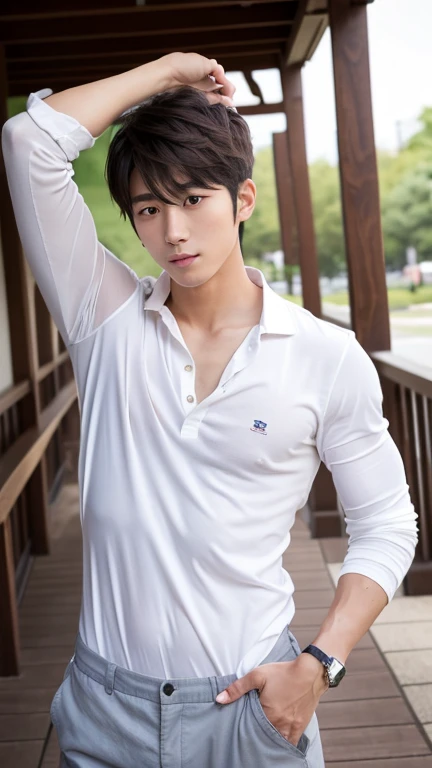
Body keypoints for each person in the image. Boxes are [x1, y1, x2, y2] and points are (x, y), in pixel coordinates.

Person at [2, 52, 418, 768]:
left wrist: (319, 664)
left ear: (244, 199)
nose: (175, 232)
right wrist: (168, 73)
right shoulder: (106, 323)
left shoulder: (324, 355)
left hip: (254, 707)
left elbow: (386, 523)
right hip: (108, 713)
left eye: (194, 198)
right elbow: (27, 141)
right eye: (150, 209)